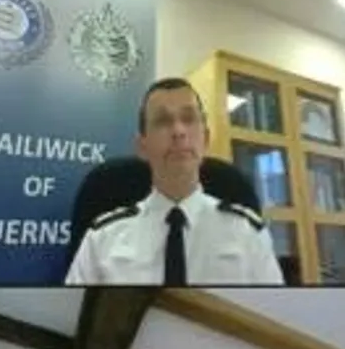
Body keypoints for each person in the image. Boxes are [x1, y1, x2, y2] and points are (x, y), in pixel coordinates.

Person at [65, 78, 285, 285]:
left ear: (206, 139)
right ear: (142, 146)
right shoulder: (102, 239)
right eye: (162, 121)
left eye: (188, 119)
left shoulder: (247, 232)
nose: (179, 131)